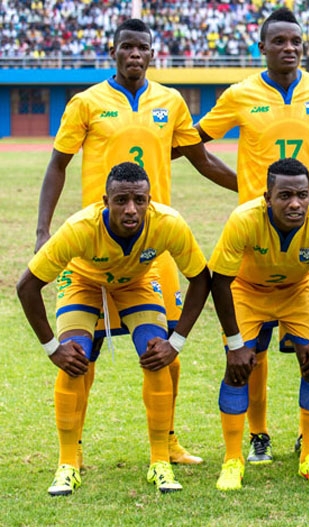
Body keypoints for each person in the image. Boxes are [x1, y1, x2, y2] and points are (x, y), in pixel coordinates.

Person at [35, 18, 236, 467]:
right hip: (94, 243)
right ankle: (75, 452)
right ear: (114, 51)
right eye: (126, 47)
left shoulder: (171, 101)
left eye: (142, 48)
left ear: (152, 53)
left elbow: (201, 159)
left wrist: (249, 189)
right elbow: (57, 165)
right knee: (82, 353)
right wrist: (42, 229)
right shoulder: (86, 103)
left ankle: (167, 441)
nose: (134, 55)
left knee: (164, 349)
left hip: (153, 245)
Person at [195, 7, 309, 461]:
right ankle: (258, 435)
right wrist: (240, 185)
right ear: (262, 47)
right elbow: (194, 141)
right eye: (280, 41)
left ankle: (307, 439)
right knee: (252, 348)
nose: (289, 48)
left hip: (307, 238)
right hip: (254, 233)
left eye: (296, 41)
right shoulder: (240, 94)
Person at [17, 163, 211, 495]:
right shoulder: (79, 228)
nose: (131, 209)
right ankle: (67, 463)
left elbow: (202, 277)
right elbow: (27, 286)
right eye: (121, 200)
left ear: (150, 200)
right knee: (74, 357)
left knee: (156, 353)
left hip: (136, 283)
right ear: (106, 200)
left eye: (139, 200)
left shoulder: (168, 224)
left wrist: (176, 342)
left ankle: (160, 461)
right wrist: (53, 348)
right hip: (83, 282)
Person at [209, 158, 309, 490]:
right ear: (267, 197)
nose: (295, 203)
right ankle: (232, 459)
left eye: (303, 195)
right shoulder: (244, 220)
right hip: (247, 290)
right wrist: (235, 345)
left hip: (297, 291)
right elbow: (219, 282)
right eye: (285, 195)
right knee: (237, 368)